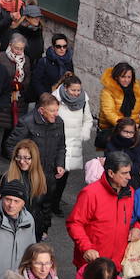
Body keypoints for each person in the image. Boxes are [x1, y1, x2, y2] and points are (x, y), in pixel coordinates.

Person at [66, 150, 135, 270]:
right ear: (111, 173)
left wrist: (137, 228)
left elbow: (137, 217)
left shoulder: (130, 193)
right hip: (93, 263)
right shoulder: (90, 193)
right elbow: (74, 223)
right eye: (124, 173)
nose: (129, 177)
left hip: (116, 264)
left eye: (129, 172)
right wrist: (87, 248)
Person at [6, 93, 66, 215]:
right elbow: (11, 145)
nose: (56, 114)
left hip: (49, 172)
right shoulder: (27, 122)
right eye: (52, 111)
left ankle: (43, 232)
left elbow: (61, 146)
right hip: (30, 174)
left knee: (46, 206)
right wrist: (22, 163)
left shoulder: (59, 122)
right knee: (29, 206)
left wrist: (60, 164)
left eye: (57, 110)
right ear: (41, 110)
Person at [52, 74, 92, 214]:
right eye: (73, 90)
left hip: (73, 142)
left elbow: (88, 120)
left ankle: (55, 203)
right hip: (56, 142)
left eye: (78, 90)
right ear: (65, 88)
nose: (76, 93)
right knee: (52, 173)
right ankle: (45, 201)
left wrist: (83, 134)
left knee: (64, 176)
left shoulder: (83, 101)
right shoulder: (55, 98)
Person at [0, 139, 50, 241]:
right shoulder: (7, 178)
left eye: (26, 158)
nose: (22, 161)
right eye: (19, 157)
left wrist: (44, 228)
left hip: (33, 228)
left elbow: (46, 206)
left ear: (34, 159)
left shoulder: (42, 178)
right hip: (11, 229)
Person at [99, 62, 140, 134]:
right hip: (112, 129)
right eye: (123, 77)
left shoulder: (136, 90)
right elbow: (109, 113)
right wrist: (126, 125)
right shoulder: (107, 91)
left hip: (132, 130)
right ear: (116, 77)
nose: (126, 80)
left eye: (129, 77)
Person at [0, 35, 32, 138]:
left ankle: (6, 149)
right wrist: (9, 85)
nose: (19, 51)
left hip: (18, 97)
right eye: (16, 48)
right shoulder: (1, 57)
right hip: (4, 94)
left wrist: (21, 85)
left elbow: (28, 75)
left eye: (21, 48)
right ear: (10, 45)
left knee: (12, 125)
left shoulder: (26, 59)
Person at [106, 118, 140, 188]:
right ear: (119, 130)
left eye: (131, 133)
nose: (128, 135)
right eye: (125, 131)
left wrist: (124, 171)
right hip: (114, 176)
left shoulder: (138, 145)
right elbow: (109, 161)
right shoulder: (111, 143)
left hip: (132, 177)